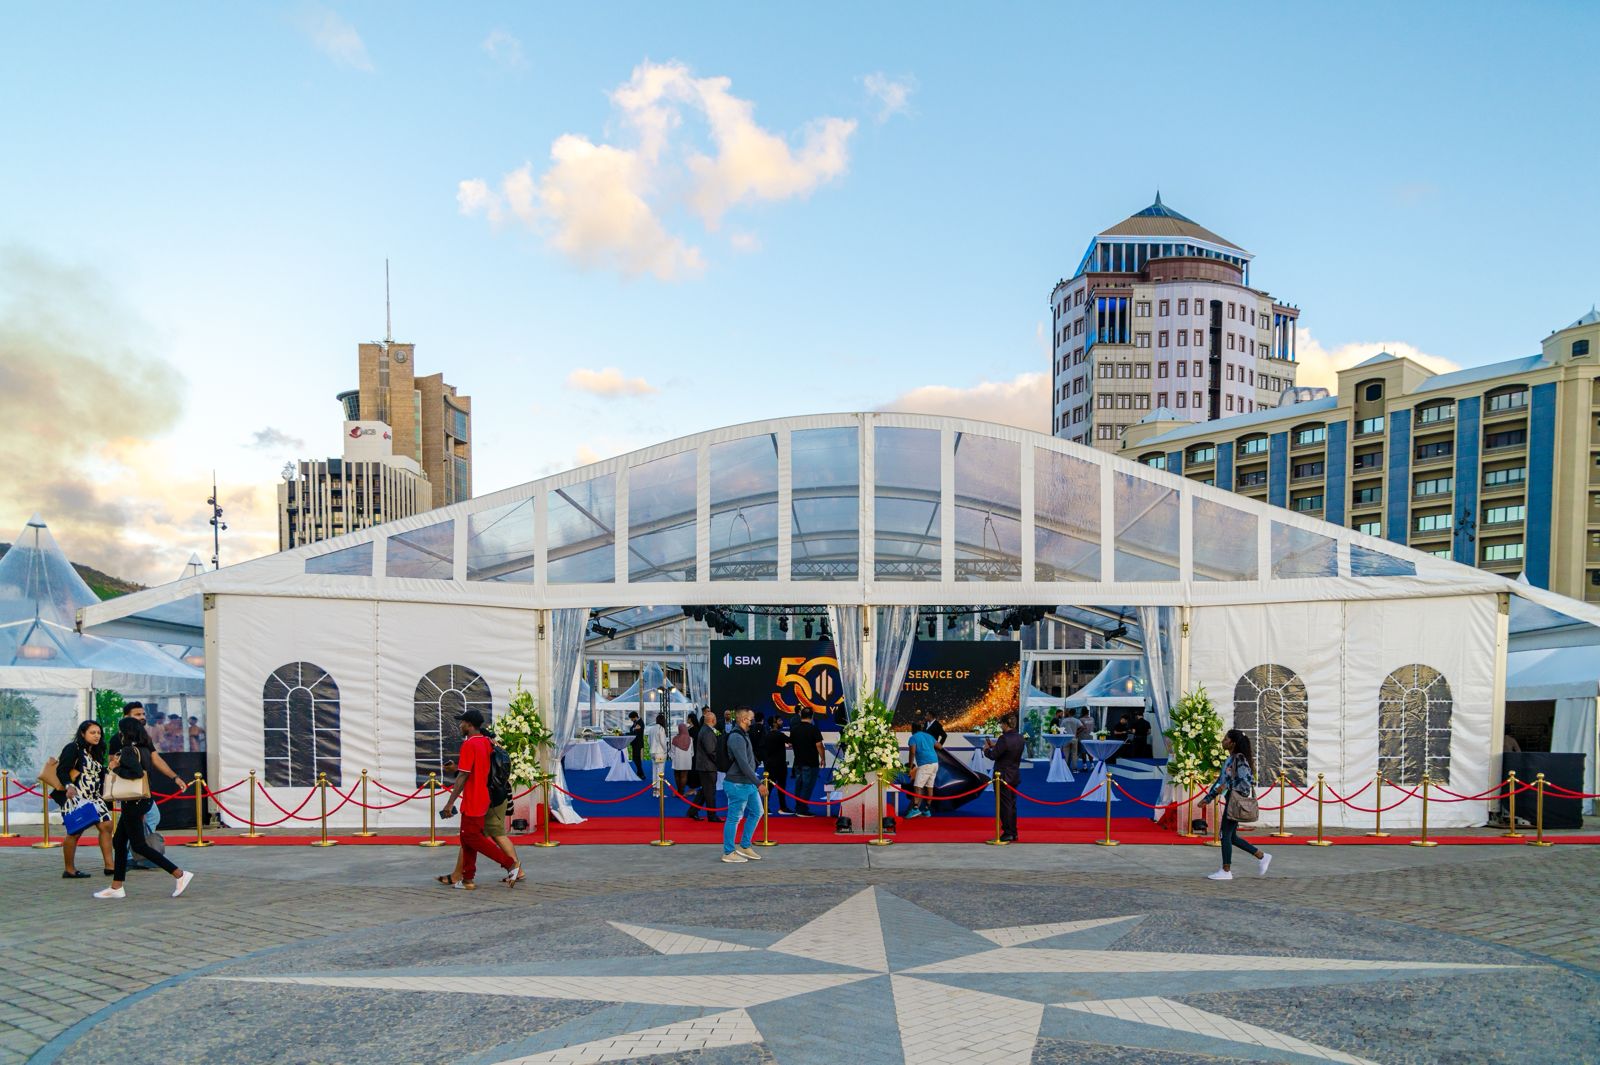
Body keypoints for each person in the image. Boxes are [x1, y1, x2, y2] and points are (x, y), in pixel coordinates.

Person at [94, 718, 194, 900]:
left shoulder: (128, 751)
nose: (120, 734)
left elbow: (136, 773)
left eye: (121, 731)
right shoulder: (144, 749)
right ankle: (117, 886)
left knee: (139, 844)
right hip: (141, 800)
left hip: (134, 802)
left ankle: (179, 874)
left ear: (126, 732)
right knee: (118, 841)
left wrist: (115, 768)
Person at [439, 709, 522, 889]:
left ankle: (510, 864)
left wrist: (450, 802)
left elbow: (463, 777)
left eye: (462, 723)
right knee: (466, 839)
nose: (460, 725)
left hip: (473, 799)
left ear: (469, 725)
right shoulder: (486, 742)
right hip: (483, 797)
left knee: (472, 838)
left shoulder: (469, 745)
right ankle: (468, 880)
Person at [1198, 729, 1272, 881]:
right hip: (1231, 800)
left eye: (1225, 739)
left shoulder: (1239, 759)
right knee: (1230, 837)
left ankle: (1226, 870)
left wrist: (1227, 787)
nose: (1223, 741)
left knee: (1225, 835)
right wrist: (1208, 798)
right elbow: (1221, 782)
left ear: (1232, 742)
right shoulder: (1230, 759)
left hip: (1235, 802)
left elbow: (1245, 781)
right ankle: (1262, 856)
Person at [51, 721, 113, 878]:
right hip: (76, 797)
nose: (97, 735)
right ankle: (69, 869)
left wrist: (112, 767)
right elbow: (62, 770)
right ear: (83, 733)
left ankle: (110, 866)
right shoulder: (73, 748)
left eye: (99, 733)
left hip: (94, 797)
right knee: (75, 832)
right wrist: (68, 786)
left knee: (106, 825)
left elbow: (98, 773)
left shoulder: (96, 751)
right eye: (93, 732)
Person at [719, 706, 768, 863]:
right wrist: (758, 783)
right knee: (734, 818)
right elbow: (743, 764)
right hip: (737, 783)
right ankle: (728, 851)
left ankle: (745, 845)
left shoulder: (743, 734)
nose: (751, 720)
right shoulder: (736, 737)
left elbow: (748, 762)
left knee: (757, 812)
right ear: (742, 719)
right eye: (749, 718)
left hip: (747, 783)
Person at [983, 714, 1025, 843]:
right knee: (1012, 805)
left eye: (1001, 723)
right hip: (1014, 774)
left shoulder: (1004, 738)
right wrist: (995, 746)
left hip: (1002, 776)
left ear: (1006, 724)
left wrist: (986, 750)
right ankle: (1013, 831)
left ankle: (1007, 832)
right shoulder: (1019, 737)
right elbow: (1007, 750)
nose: (1001, 726)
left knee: (1004, 805)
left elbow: (994, 756)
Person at [789, 708, 825, 817]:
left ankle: (798, 806)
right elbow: (819, 745)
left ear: (801, 715)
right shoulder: (814, 729)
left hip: (798, 761)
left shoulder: (794, 729)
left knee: (798, 784)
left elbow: (791, 743)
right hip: (810, 763)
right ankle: (802, 809)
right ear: (812, 716)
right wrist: (823, 758)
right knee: (807, 786)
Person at [693, 709, 723, 822]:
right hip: (708, 766)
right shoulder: (708, 732)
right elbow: (711, 751)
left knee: (705, 791)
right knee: (710, 792)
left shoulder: (706, 730)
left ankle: (692, 811)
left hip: (705, 765)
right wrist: (719, 761)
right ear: (713, 720)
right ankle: (712, 816)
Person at [905, 721, 939, 818]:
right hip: (935, 763)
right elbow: (939, 746)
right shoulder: (928, 736)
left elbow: (912, 752)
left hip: (925, 764)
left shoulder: (913, 738)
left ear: (913, 729)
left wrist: (910, 766)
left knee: (917, 787)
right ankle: (927, 810)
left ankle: (915, 809)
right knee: (929, 787)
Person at [763, 716, 791, 814]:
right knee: (781, 787)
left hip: (769, 765)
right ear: (774, 723)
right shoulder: (780, 735)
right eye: (779, 720)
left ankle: (765, 807)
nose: (782, 722)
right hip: (780, 765)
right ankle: (782, 807)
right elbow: (791, 741)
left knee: (768, 787)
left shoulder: (767, 735)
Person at [670, 721, 695, 798]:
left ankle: (679, 791)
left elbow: (672, 751)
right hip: (686, 761)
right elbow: (692, 752)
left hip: (677, 760)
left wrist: (673, 758)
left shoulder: (674, 738)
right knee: (684, 776)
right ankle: (682, 792)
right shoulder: (690, 739)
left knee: (677, 775)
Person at [647, 712, 670, 783]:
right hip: (660, 753)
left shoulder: (651, 729)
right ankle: (659, 790)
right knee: (660, 771)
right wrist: (666, 750)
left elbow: (648, 741)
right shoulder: (661, 729)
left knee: (654, 770)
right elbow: (663, 742)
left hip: (652, 752)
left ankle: (655, 789)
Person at [627, 711, 645, 778]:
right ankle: (639, 772)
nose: (631, 720)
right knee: (635, 758)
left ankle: (641, 773)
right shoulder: (635, 722)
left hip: (638, 743)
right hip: (635, 743)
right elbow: (631, 729)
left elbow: (635, 731)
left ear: (635, 717)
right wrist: (634, 729)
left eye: (631, 718)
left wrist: (633, 729)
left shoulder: (640, 722)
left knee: (636, 758)